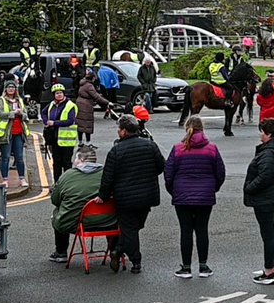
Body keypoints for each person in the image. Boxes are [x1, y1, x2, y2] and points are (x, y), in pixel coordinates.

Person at [95, 114, 165, 274]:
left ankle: (130, 258)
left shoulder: (116, 150)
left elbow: (108, 177)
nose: (118, 132)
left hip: (125, 198)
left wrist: (103, 196)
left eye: (119, 129)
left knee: (131, 229)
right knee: (135, 226)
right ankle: (121, 252)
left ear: (124, 132)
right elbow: (161, 166)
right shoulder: (150, 146)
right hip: (147, 195)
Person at [165, 115, 225, 279]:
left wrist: (174, 191)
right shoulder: (212, 149)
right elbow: (220, 173)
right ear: (202, 129)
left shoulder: (178, 149)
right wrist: (212, 189)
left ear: (187, 129)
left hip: (182, 195)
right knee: (202, 230)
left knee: (185, 231)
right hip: (205, 195)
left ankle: (186, 267)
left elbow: (168, 174)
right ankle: (203, 266)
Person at [48, 145, 113, 264]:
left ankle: (61, 252)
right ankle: (114, 250)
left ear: (81, 160)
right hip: (108, 221)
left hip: (75, 223)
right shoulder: (107, 174)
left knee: (57, 213)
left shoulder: (68, 175)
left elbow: (55, 200)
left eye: (76, 159)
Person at [246, 119, 274, 284]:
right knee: (270, 234)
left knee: (268, 236)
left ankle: (269, 270)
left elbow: (265, 176)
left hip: (266, 198)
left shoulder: (268, 152)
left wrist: (250, 187)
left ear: (268, 134)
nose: (260, 134)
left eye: (262, 131)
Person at [0, 81, 30, 189]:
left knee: (19, 157)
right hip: (6, 133)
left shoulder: (20, 101)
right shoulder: (1, 100)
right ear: (5, 89)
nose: (11, 89)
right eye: (9, 87)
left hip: (19, 132)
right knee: (6, 157)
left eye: (13, 87)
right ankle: (5, 180)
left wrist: (21, 114)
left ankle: (22, 179)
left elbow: (26, 115)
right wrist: (12, 113)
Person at [42, 84, 79, 181]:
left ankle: (67, 183)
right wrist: (46, 122)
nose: (59, 95)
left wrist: (54, 123)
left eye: (60, 93)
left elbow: (70, 121)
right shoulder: (52, 104)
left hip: (67, 140)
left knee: (66, 163)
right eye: (57, 93)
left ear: (64, 94)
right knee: (56, 163)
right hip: (55, 138)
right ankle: (57, 183)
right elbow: (43, 112)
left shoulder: (70, 105)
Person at [75, 70, 112, 145]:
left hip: (79, 103)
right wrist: (108, 102)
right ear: (93, 78)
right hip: (86, 105)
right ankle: (88, 142)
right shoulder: (89, 86)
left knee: (80, 123)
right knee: (87, 123)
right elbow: (96, 97)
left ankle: (80, 141)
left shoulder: (83, 83)